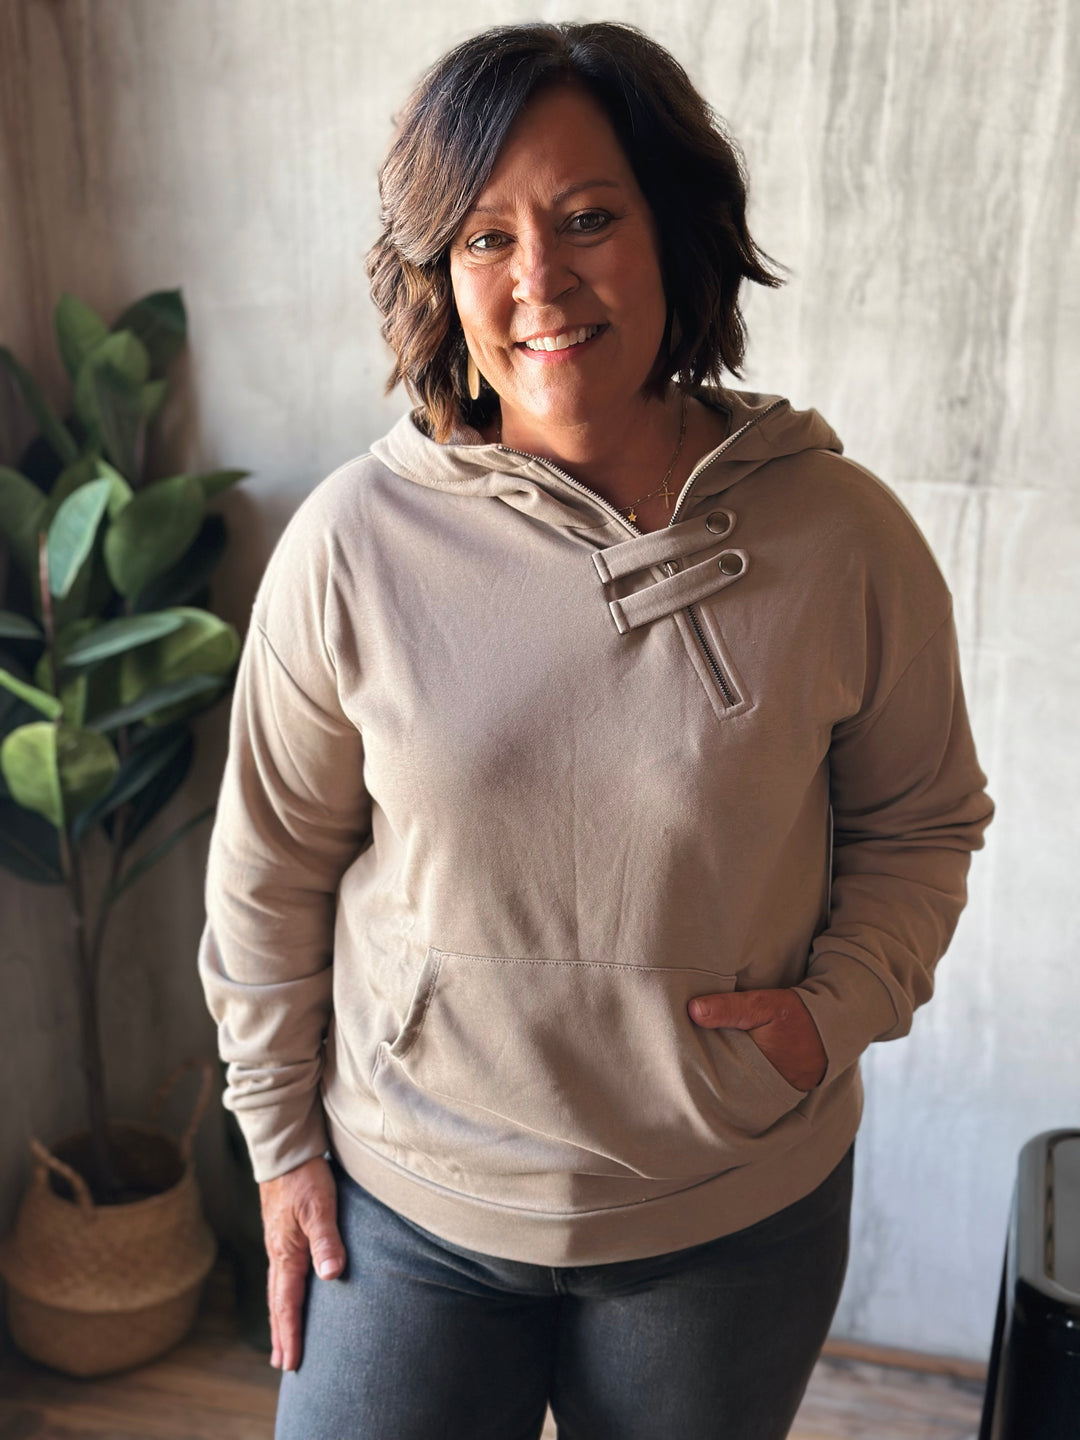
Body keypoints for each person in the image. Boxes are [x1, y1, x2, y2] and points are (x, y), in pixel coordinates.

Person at [198, 21, 993, 1440]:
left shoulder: (842, 535)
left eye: (587, 219)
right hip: (407, 1213)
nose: (540, 282)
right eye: (486, 238)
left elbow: (920, 821)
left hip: (726, 1221)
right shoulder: (350, 548)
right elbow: (270, 869)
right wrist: (277, 1144)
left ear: (675, 235)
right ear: (438, 275)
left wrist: (833, 1018)